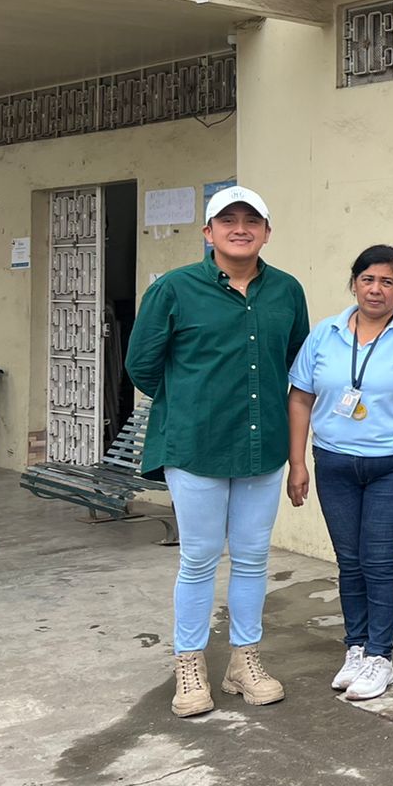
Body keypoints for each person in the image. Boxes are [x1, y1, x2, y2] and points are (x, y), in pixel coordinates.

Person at [125, 186, 309, 718]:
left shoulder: (287, 291)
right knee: (199, 558)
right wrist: (194, 403)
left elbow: (296, 361)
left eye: (252, 220)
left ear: (267, 232)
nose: (240, 228)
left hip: (262, 444)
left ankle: (243, 661)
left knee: (252, 558)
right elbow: (141, 365)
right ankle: (190, 663)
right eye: (227, 220)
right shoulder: (174, 289)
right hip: (196, 446)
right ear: (208, 233)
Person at [285, 245, 393, 701]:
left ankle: (381, 656)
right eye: (367, 279)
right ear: (354, 283)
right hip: (334, 465)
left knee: (380, 560)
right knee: (350, 561)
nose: (376, 289)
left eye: (387, 281)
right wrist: (297, 462)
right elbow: (300, 397)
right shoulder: (325, 335)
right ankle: (356, 648)